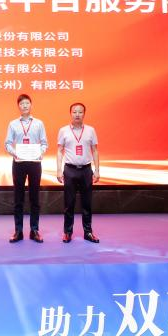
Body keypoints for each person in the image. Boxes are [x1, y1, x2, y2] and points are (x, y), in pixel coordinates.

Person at [4, 94, 48, 243]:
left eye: (27, 103)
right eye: (22, 103)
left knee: (35, 197)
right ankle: (18, 231)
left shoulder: (39, 123)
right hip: (19, 163)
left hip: (35, 163)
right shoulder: (13, 124)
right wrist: (16, 153)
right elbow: (7, 144)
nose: (24, 106)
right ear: (18, 106)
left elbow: (44, 143)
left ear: (31, 105)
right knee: (18, 198)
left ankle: (34, 230)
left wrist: (40, 153)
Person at [56, 102, 100, 243]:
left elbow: (95, 150)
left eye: (80, 112)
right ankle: (67, 232)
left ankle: (88, 232)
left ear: (84, 114)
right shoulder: (63, 130)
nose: (77, 114)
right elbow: (59, 151)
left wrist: (97, 170)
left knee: (87, 203)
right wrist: (58, 169)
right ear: (70, 113)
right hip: (70, 170)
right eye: (74, 112)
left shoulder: (90, 130)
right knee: (69, 203)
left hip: (86, 170)